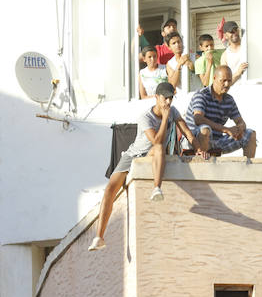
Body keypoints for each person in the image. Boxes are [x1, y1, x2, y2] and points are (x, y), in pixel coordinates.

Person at [89, 82, 209, 250]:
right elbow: (157, 140)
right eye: (165, 98)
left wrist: (198, 149)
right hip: (132, 156)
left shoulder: (173, 111)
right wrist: (165, 119)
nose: (168, 102)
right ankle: (99, 237)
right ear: (157, 97)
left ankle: (157, 188)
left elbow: (187, 132)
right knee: (110, 189)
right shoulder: (145, 117)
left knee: (159, 149)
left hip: (152, 154)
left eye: (171, 98)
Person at [185, 65, 256, 157]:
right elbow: (198, 119)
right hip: (195, 141)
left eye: (229, 81)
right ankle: (201, 163)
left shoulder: (229, 100)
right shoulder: (202, 95)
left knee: (250, 134)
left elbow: (240, 121)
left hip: (217, 141)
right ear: (214, 78)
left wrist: (239, 129)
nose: (227, 84)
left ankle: (249, 166)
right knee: (205, 130)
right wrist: (226, 129)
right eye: (223, 80)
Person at [165, 32, 194, 110]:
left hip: (196, 94)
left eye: (179, 42)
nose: (177, 45)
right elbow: (172, 85)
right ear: (169, 47)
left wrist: (192, 66)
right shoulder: (170, 64)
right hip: (182, 99)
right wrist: (179, 65)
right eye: (174, 43)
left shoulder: (194, 57)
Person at [220, 21, 248, 87]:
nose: (235, 33)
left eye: (236, 30)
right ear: (225, 36)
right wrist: (238, 73)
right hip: (235, 91)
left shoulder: (248, 48)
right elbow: (225, 83)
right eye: (231, 32)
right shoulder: (225, 56)